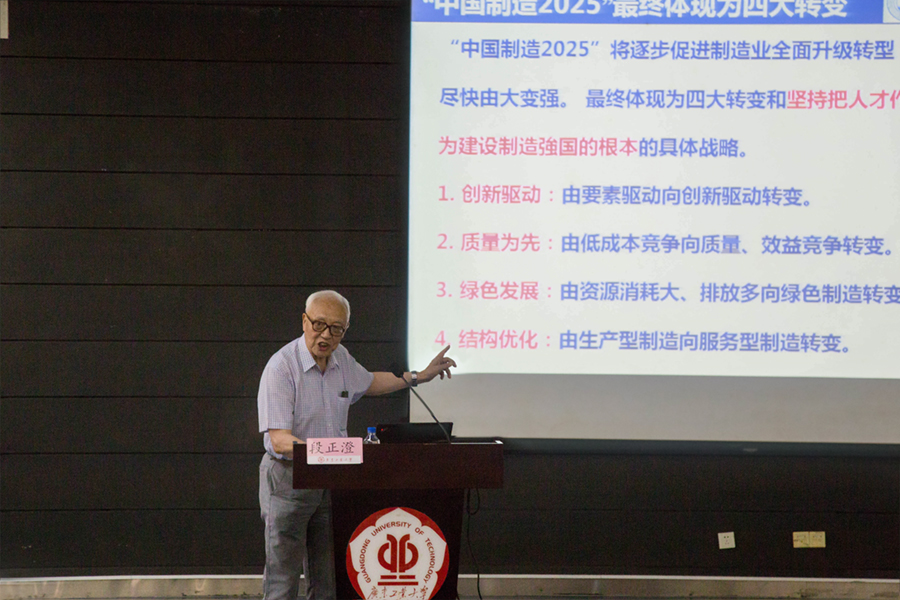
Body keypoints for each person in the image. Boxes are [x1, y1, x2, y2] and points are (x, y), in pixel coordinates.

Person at [257, 290, 456, 600]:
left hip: (332, 482)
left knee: (329, 578)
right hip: (288, 480)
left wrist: (420, 377)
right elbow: (279, 440)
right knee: (283, 578)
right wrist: (327, 453)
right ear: (304, 321)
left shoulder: (342, 360)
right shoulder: (282, 367)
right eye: (319, 325)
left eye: (336, 328)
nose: (326, 335)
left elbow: (371, 382)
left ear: (345, 330)